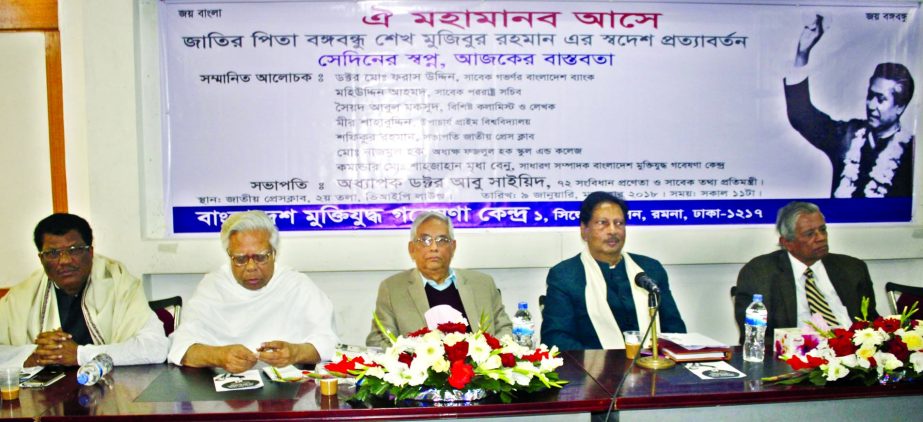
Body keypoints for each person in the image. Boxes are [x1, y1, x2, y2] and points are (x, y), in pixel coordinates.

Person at [168, 211, 338, 373]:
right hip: (221, 391)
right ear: (229, 255)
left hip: (286, 390)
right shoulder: (213, 287)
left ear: (274, 254)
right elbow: (181, 348)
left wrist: (295, 352)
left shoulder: (297, 286)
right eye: (240, 259)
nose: (251, 267)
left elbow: (330, 344)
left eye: (260, 257)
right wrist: (219, 356)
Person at [0, 213, 168, 367]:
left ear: (91, 252)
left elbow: (156, 347)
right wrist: (34, 355)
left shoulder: (118, 283)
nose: (64, 260)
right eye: (52, 253)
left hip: (111, 391)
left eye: (74, 250)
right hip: (46, 396)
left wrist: (80, 355)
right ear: (41, 259)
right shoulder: (22, 296)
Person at [785, 14, 914, 198]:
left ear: (900, 107)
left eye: (881, 99)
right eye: (870, 96)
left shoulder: (914, 152)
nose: (871, 105)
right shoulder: (847, 135)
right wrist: (802, 53)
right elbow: (801, 116)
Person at [541, 192, 686, 351]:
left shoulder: (650, 269)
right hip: (593, 370)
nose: (613, 231)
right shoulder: (565, 276)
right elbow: (556, 339)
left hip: (654, 366)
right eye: (603, 223)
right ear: (584, 230)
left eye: (619, 223)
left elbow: (675, 330)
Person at [734, 201, 878, 343]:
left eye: (823, 230)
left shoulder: (852, 268)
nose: (821, 238)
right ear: (787, 243)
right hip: (797, 356)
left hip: (854, 354)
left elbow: (871, 320)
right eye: (810, 234)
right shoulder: (759, 273)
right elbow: (756, 337)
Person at [366, 212, 513, 348]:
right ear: (412, 249)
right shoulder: (393, 289)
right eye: (425, 240)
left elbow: (504, 329)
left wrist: (490, 359)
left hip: (477, 373)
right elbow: (378, 341)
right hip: (419, 374)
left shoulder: (482, 284)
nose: (434, 247)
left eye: (442, 240)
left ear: (453, 247)